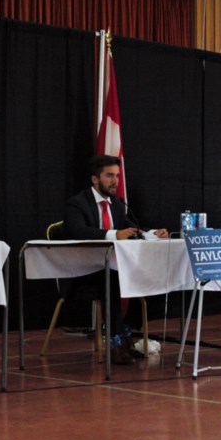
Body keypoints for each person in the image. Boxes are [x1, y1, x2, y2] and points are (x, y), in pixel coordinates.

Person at [64, 155, 168, 364]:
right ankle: (115, 342)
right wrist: (113, 234)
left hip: (112, 268)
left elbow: (132, 227)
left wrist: (153, 233)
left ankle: (126, 335)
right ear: (95, 179)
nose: (115, 181)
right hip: (83, 271)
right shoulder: (77, 203)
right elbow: (77, 231)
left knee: (150, 277)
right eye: (109, 176)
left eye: (117, 176)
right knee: (112, 278)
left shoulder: (118, 205)